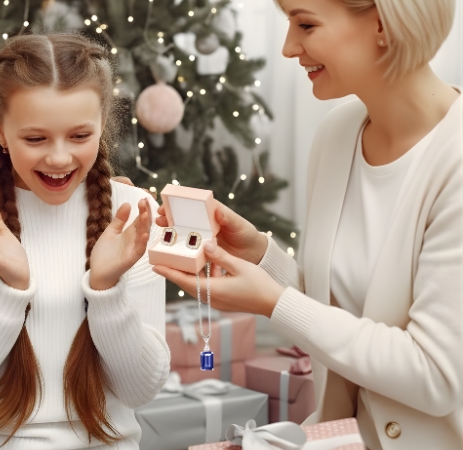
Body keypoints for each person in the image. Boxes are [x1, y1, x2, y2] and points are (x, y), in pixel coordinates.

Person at [153, 0, 461, 449]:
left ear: (381, 21)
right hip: (341, 437)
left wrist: (273, 302)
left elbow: (434, 375)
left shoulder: (452, 161)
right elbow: (344, 311)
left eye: (305, 24)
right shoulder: (338, 134)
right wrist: (261, 255)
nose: (288, 47)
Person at [0, 33, 170, 449]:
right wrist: (10, 290)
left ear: (103, 123)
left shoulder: (133, 214)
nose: (59, 159)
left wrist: (107, 290)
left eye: (79, 136)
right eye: (35, 139)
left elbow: (140, 390)